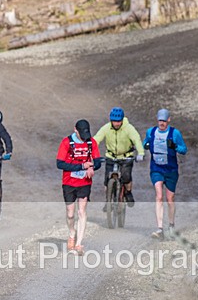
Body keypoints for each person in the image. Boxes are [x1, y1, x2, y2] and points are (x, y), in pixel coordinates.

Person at [57, 119, 103, 255]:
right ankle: (72, 234)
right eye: (81, 133)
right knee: (70, 214)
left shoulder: (91, 142)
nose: (84, 136)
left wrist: (92, 168)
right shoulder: (66, 142)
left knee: (81, 212)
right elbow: (60, 164)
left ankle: (78, 244)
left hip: (85, 183)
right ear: (75, 130)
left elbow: (98, 161)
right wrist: (81, 166)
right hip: (69, 182)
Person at [142, 108, 187, 239]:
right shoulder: (151, 132)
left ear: (168, 120)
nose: (161, 123)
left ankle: (171, 225)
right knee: (159, 196)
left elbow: (184, 149)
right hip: (156, 168)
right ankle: (160, 228)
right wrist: (145, 145)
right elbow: (145, 142)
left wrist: (174, 146)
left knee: (170, 198)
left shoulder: (175, 133)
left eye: (164, 121)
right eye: (159, 120)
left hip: (171, 170)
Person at [93, 107, 144, 207]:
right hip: (111, 156)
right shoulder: (106, 128)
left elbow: (136, 140)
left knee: (126, 176)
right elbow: (96, 139)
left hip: (126, 157)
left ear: (122, 120)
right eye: (114, 121)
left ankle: (128, 192)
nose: (116, 123)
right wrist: (89, 151)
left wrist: (141, 153)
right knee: (107, 180)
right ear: (111, 120)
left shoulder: (129, 128)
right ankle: (108, 200)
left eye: (119, 121)